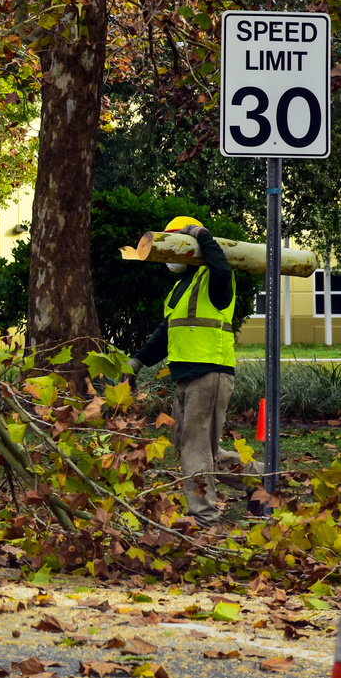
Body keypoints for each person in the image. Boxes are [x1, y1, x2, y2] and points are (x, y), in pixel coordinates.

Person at [126, 216, 263, 527]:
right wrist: (137, 362)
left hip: (210, 372)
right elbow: (167, 332)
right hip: (187, 376)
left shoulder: (215, 279)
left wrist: (203, 236)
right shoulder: (180, 287)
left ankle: (204, 516)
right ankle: (262, 480)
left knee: (195, 446)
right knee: (197, 446)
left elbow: (222, 266)